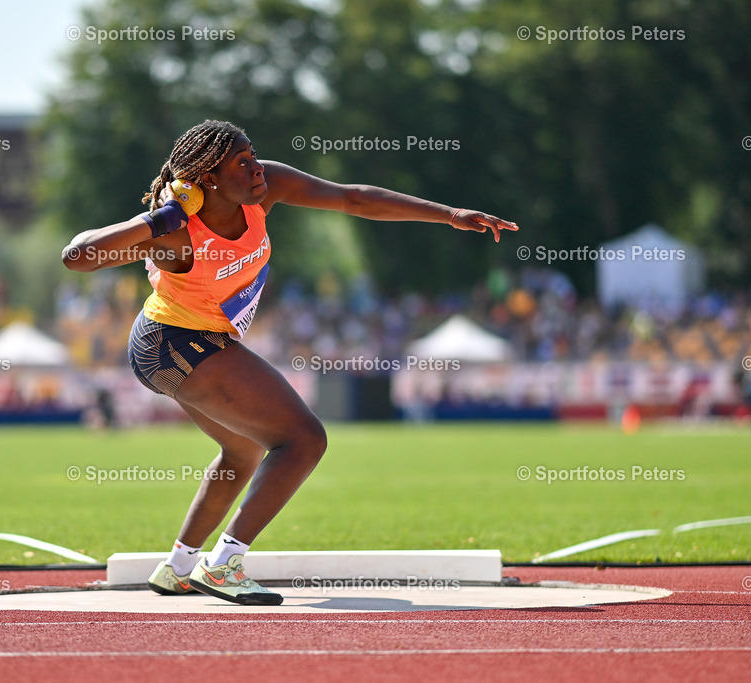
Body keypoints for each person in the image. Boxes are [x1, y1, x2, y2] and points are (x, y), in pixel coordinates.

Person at [61, 120, 518, 605]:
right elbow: (77, 256)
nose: (256, 167)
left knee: (242, 452)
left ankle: (178, 567)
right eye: (241, 162)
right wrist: (159, 219)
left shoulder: (264, 188)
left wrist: (450, 215)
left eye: (253, 155)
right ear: (208, 177)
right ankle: (223, 565)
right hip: (174, 341)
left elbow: (352, 198)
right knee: (303, 439)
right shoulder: (177, 234)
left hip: (186, 342)